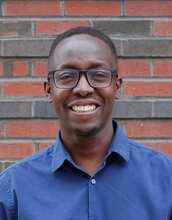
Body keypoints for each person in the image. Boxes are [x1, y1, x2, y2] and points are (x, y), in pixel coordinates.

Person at [0, 26, 172, 220]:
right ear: (49, 90)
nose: (83, 88)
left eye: (98, 75)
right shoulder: (13, 190)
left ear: (117, 87)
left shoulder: (167, 179)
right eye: (67, 77)